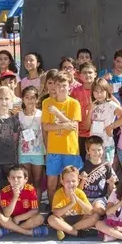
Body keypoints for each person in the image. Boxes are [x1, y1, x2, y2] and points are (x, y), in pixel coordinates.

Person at [42, 69, 83, 201]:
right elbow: (46, 126)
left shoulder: (74, 103)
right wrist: (63, 125)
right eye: (58, 85)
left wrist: (58, 114)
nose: (61, 88)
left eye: (64, 85)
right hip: (53, 149)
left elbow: (74, 127)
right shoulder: (47, 103)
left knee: (71, 184)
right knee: (52, 183)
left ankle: (72, 207)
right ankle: (53, 209)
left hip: (70, 150)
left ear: (69, 86)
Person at [48, 165, 99, 240]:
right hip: (64, 220)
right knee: (51, 219)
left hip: (79, 220)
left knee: (96, 216)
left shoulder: (80, 193)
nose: (71, 184)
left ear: (78, 181)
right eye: (67, 181)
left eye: (73, 181)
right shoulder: (58, 193)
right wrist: (71, 203)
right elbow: (56, 213)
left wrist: (77, 200)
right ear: (62, 181)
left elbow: (91, 212)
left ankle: (66, 231)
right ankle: (77, 233)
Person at [0, 165, 49, 237]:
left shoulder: (31, 190)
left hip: (25, 218)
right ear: (8, 179)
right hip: (10, 219)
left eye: (19, 177)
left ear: (25, 179)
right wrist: (15, 197)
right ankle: (27, 232)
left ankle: (10, 230)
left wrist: (19, 218)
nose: (15, 180)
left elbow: (35, 210)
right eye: (12, 178)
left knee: (40, 218)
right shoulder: (4, 191)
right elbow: (6, 214)